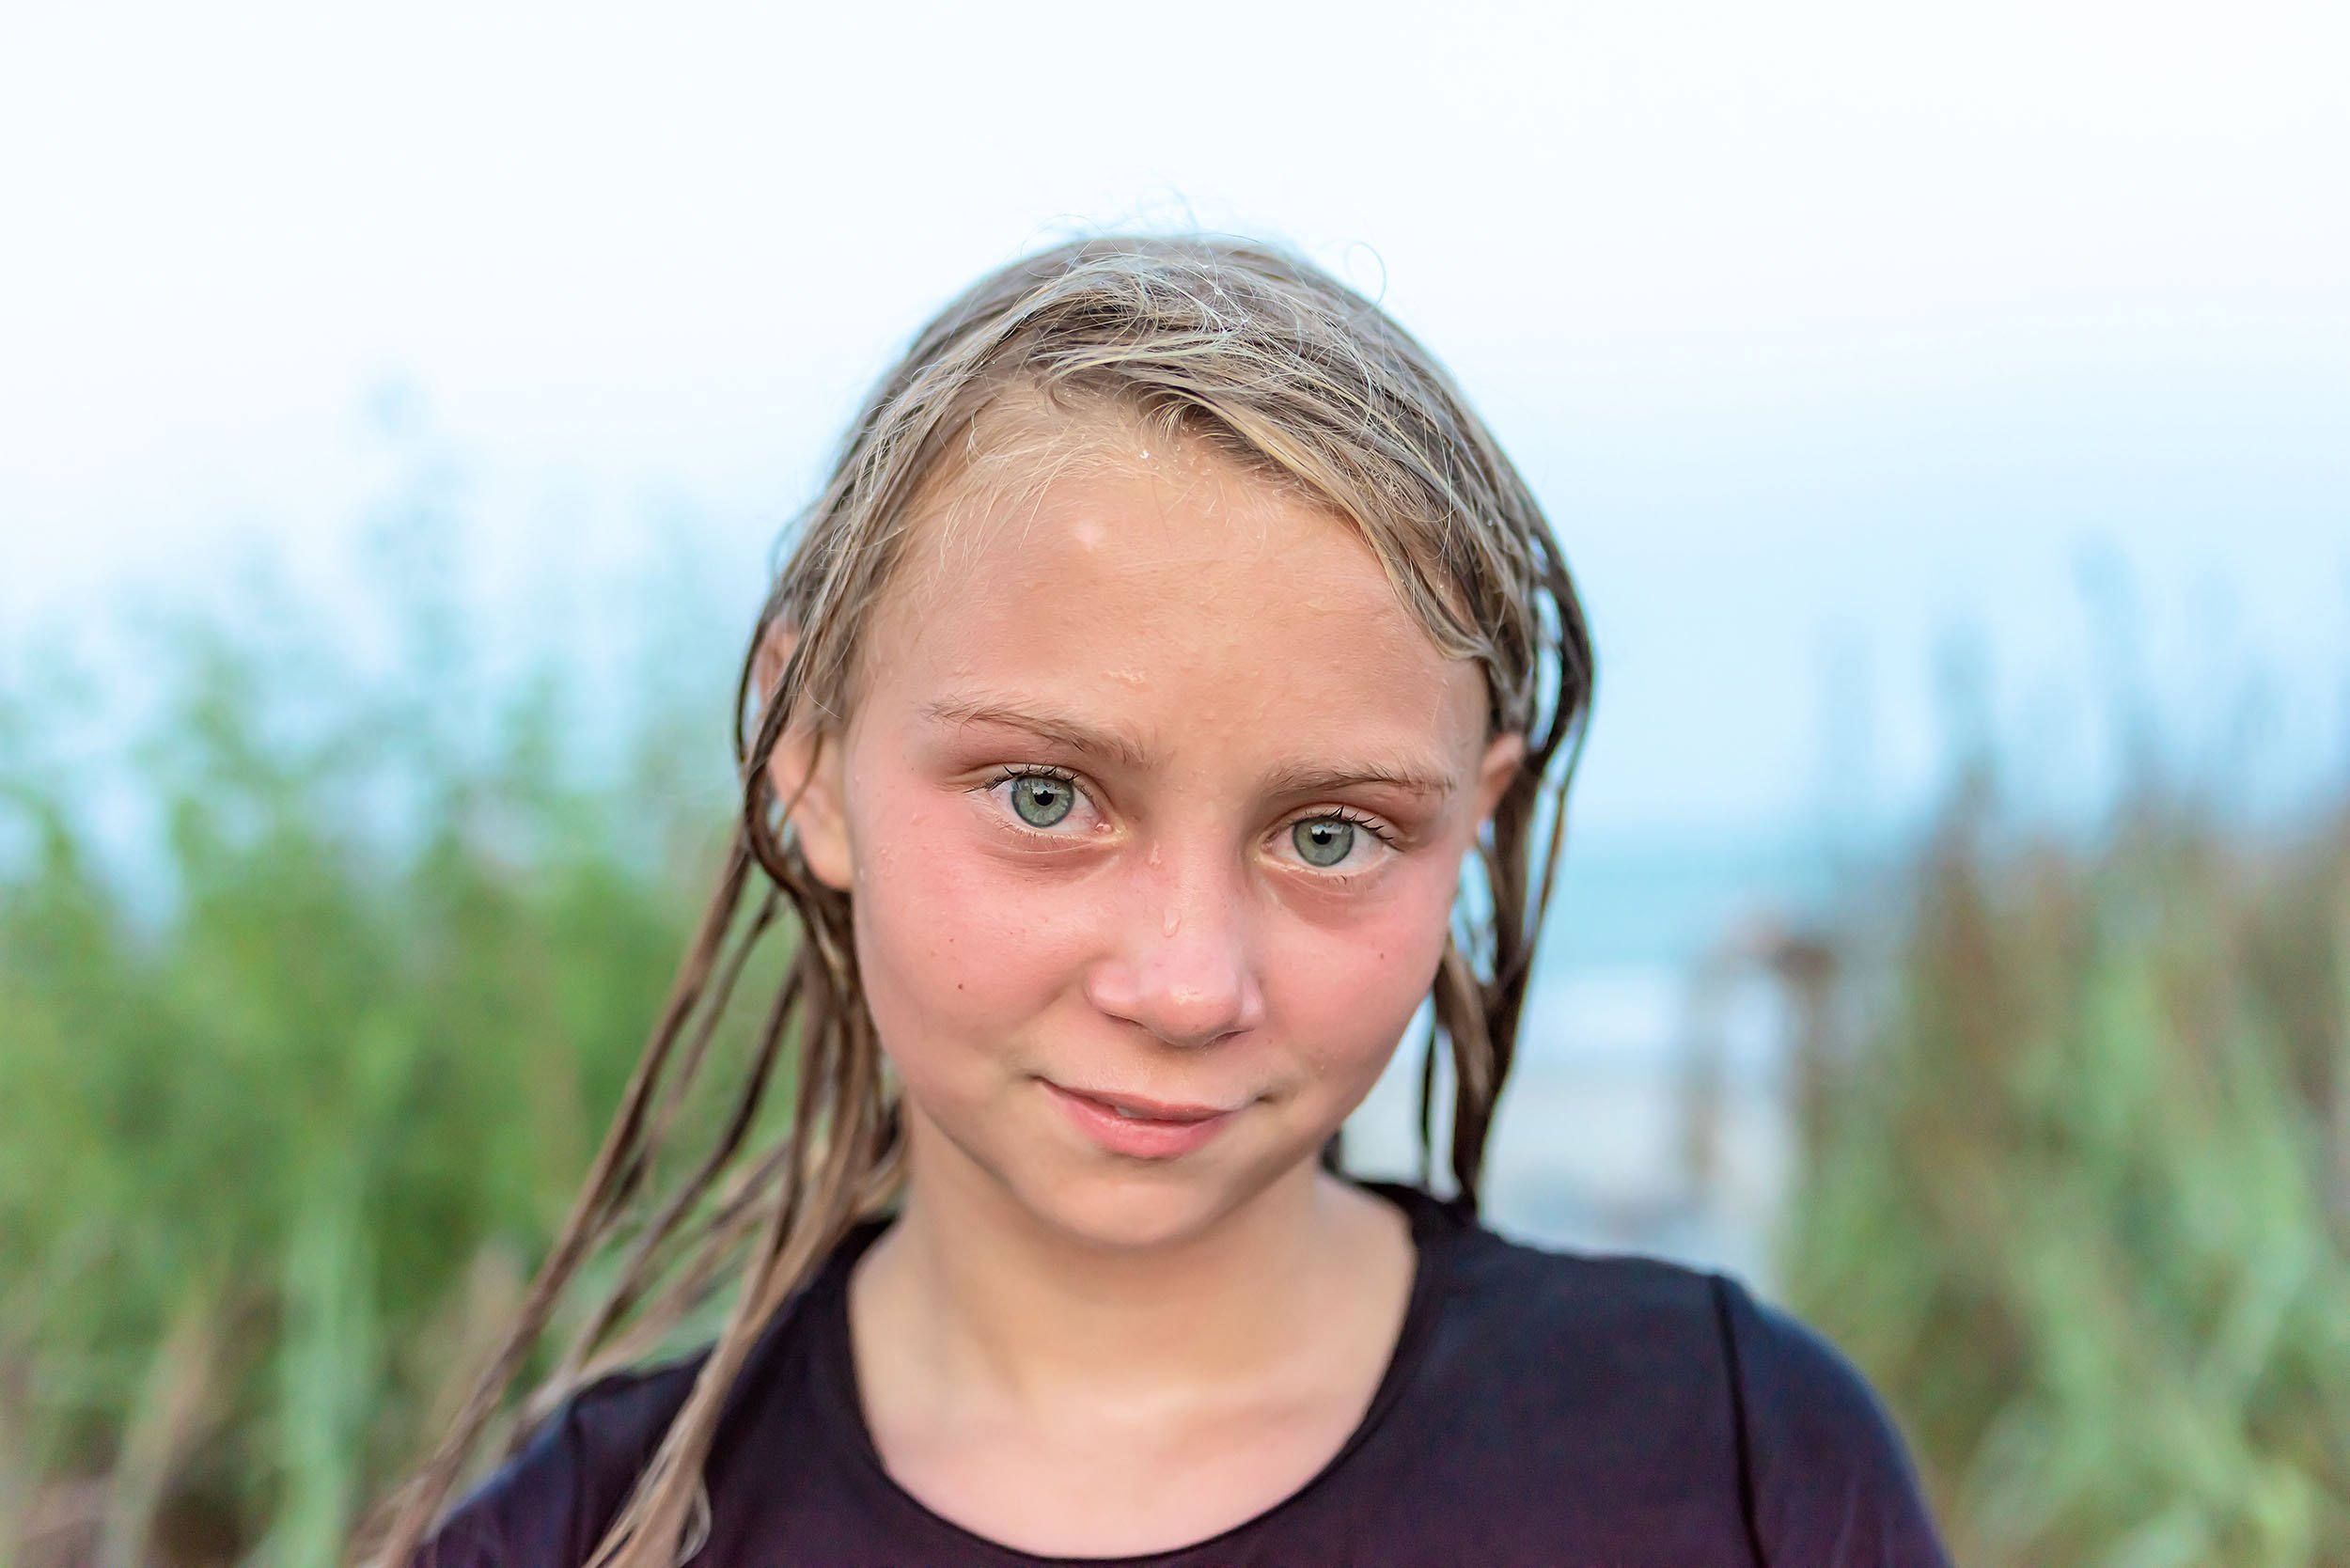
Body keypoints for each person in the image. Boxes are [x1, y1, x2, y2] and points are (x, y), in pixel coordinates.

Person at [375, 235, 1952, 1567]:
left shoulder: (1737, 1467)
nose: (1189, 985)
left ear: (1474, 819)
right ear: (808, 751)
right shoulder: (593, 1538)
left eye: (1329, 836)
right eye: (1046, 799)